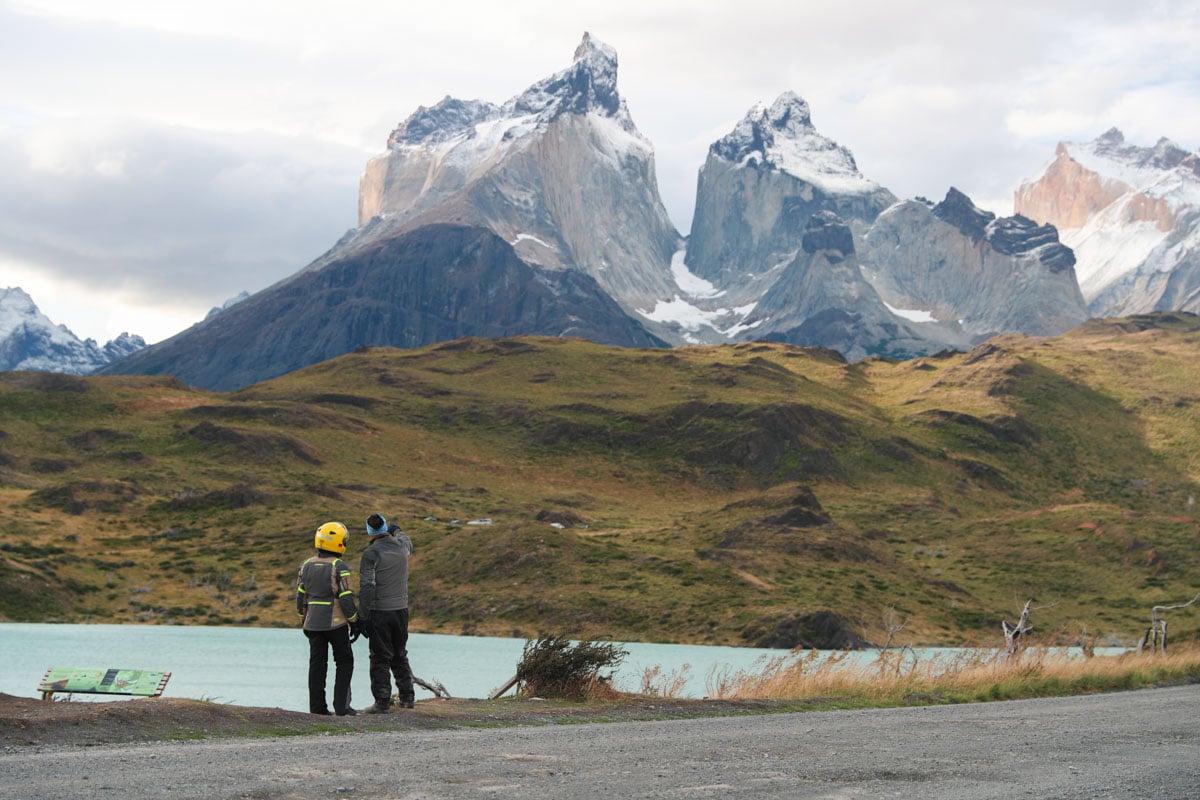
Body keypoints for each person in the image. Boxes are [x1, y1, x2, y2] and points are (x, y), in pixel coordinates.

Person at [296, 521, 360, 716]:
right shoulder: (338, 566)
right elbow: (345, 597)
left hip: (313, 623)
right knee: (344, 661)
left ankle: (317, 708)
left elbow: (300, 596)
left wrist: (303, 619)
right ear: (338, 543)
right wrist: (354, 621)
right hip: (336, 623)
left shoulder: (306, 565)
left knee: (317, 665)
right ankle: (341, 706)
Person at [358, 512, 415, 713]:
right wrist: (397, 530)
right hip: (401, 609)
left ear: (369, 532)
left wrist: (362, 616)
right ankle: (407, 696)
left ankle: (382, 701)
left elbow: (367, 586)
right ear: (385, 529)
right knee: (400, 653)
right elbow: (407, 540)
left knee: (380, 656)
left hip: (379, 611)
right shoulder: (401, 546)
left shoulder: (371, 554)